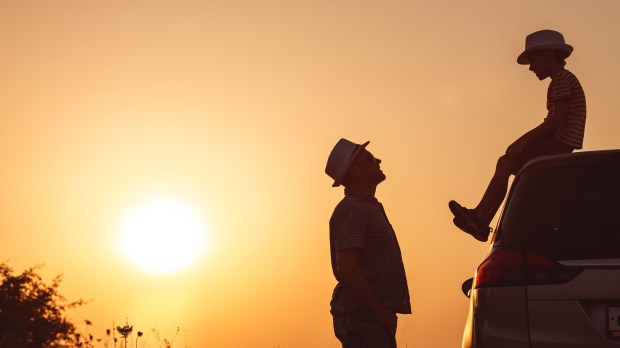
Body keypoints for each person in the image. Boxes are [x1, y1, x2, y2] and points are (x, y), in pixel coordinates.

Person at [449, 29, 586, 242]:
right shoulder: (564, 79)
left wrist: (524, 139)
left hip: (558, 142)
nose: (531, 67)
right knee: (509, 167)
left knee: (505, 163)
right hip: (560, 142)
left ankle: (480, 217)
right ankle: (481, 220)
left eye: (533, 60)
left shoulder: (560, 80)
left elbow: (556, 121)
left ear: (548, 55)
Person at [325, 138, 411, 348]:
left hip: (368, 316)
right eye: (370, 159)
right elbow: (346, 267)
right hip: (364, 317)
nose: (378, 160)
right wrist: (380, 312)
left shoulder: (366, 207)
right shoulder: (353, 209)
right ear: (356, 172)